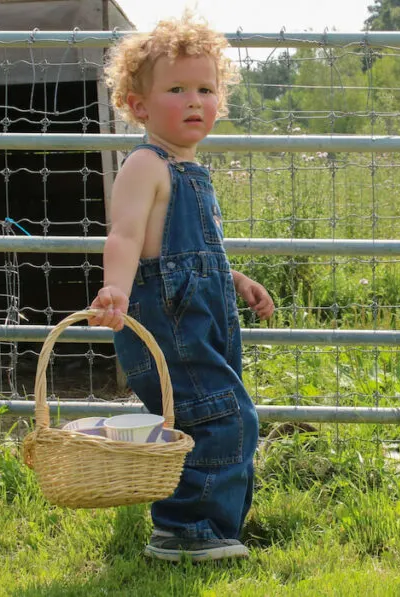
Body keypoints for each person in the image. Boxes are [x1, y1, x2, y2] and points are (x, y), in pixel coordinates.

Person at [88, 12, 274, 562]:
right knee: (220, 414)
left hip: (203, 315)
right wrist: (115, 290)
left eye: (206, 89)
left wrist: (233, 278)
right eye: (176, 89)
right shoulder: (146, 165)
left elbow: (189, 253)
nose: (195, 101)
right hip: (167, 318)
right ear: (139, 105)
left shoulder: (194, 170)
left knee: (217, 410)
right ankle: (186, 530)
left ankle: (217, 524)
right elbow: (124, 236)